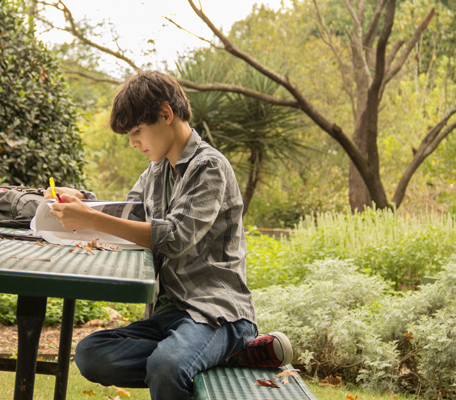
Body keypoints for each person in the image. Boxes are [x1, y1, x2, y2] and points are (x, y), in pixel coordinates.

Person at [46, 70, 292, 400]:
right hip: (168, 317)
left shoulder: (209, 167)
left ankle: (215, 349)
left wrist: (91, 218)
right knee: (91, 353)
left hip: (214, 314)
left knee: (167, 366)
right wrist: (83, 202)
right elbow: (129, 212)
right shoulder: (157, 170)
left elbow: (174, 237)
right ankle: (222, 356)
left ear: (166, 114)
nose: (133, 143)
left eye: (136, 131)